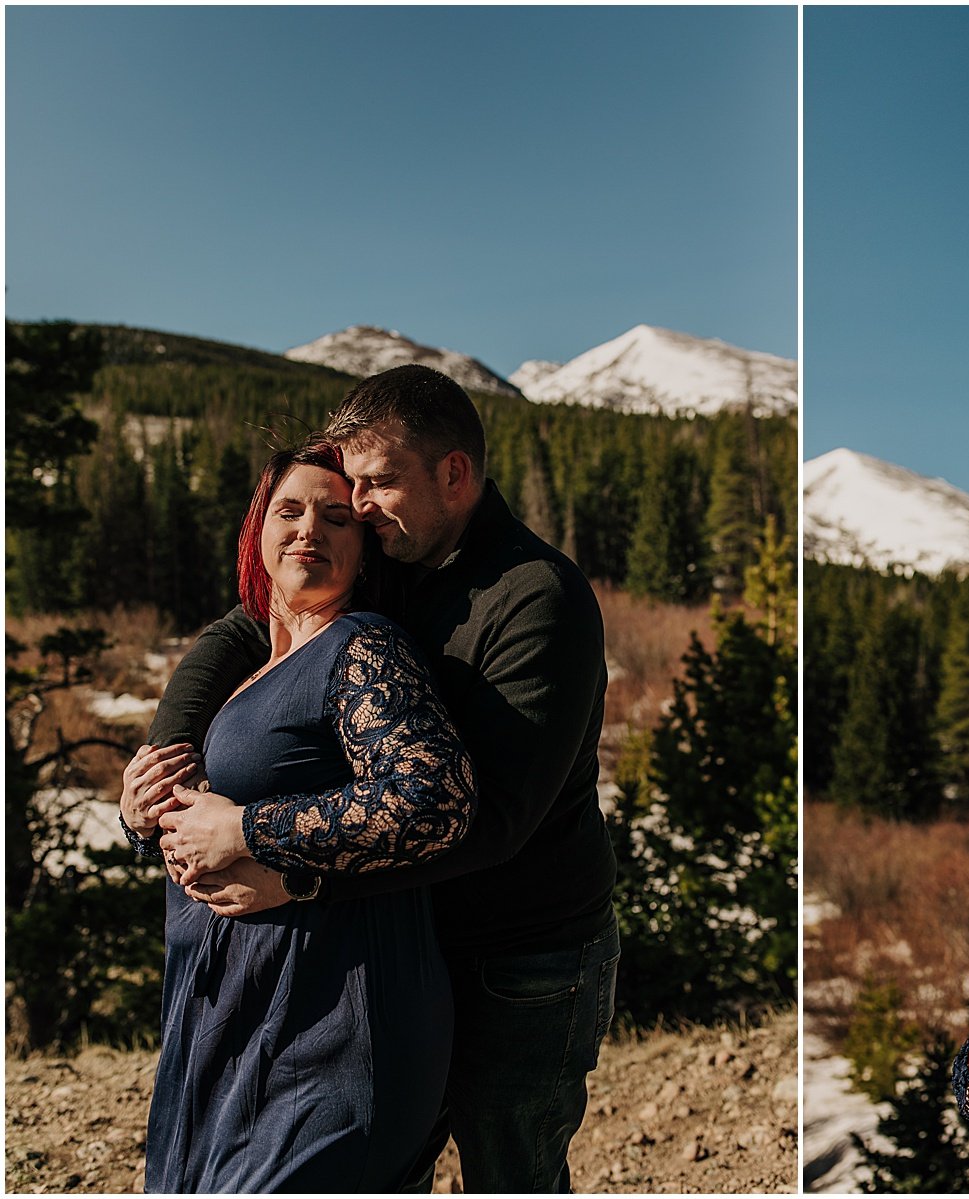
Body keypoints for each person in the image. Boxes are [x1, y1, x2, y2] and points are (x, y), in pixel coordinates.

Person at [136, 365, 619, 1193]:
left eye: (377, 482)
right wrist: (165, 755)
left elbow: (489, 820)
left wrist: (289, 865)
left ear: (454, 475)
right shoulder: (396, 553)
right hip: (412, 938)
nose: (354, 507)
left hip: (526, 953)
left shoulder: (537, 597)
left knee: (514, 1171)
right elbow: (244, 627)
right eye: (346, 485)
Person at [119, 438, 476, 1191]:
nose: (309, 528)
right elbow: (198, 820)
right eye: (290, 510)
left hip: (327, 1026)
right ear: (258, 533)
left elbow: (433, 796)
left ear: (363, 549)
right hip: (226, 1030)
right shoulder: (249, 671)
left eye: (336, 517)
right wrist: (141, 806)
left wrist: (248, 828)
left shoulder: (361, 646)